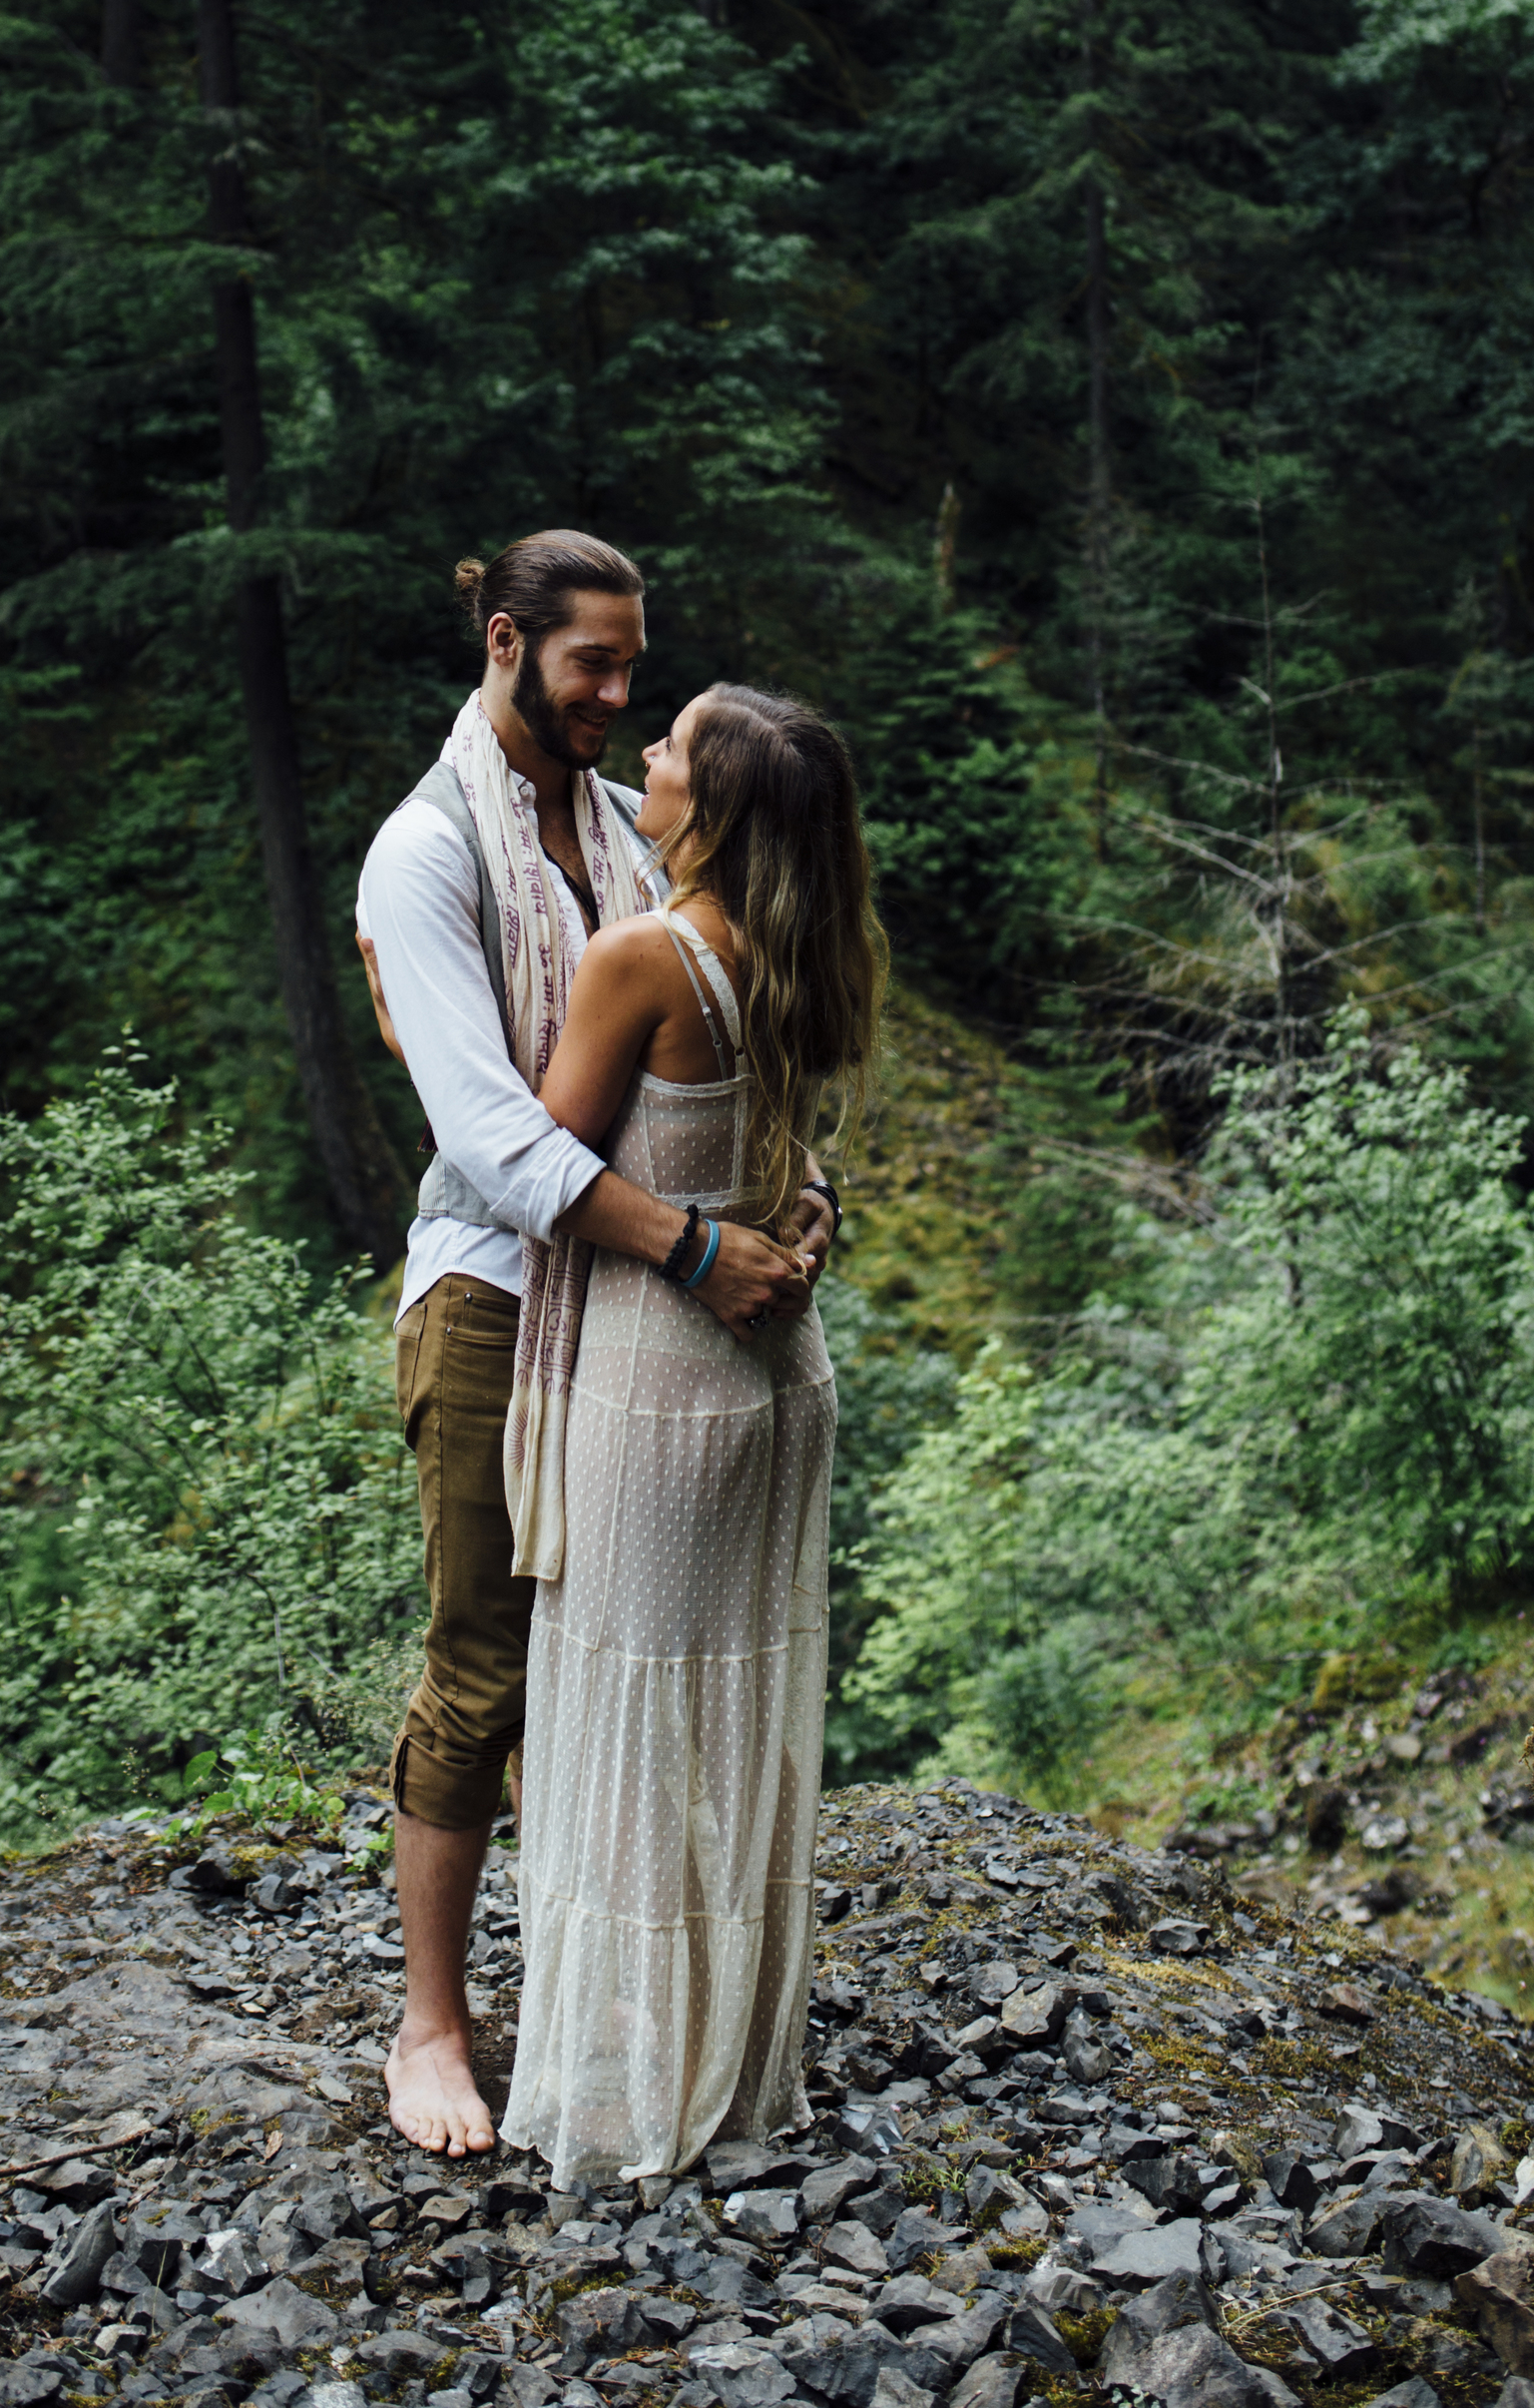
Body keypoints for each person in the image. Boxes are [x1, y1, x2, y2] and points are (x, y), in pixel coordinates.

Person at [356, 531, 840, 2160]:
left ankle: (607, 1991)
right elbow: (493, 1136)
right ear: (508, 642)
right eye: (594, 667)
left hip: (637, 1310)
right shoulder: (423, 856)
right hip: (502, 1288)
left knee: (606, 1656)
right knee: (488, 1658)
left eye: (639, 669)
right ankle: (431, 2024)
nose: (619, 695)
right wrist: (698, 1243)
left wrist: (792, 1194)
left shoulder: (633, 829)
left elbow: (732, 1020)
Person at [499, 681, 882, 2186]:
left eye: (668, 749)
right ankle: (728, 2063)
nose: (643, 758)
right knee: (738, 1711)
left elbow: (546, 1153)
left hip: (664, 1378)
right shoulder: (810, 949)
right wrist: (809, 1212)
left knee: (636, 1714)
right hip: (784, 1375)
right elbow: (794, 1161)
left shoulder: (641, 956)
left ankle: (631, 2089)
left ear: (708, 811)